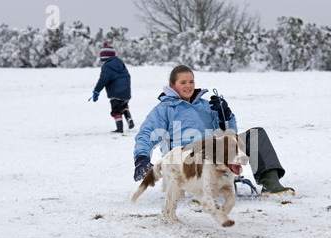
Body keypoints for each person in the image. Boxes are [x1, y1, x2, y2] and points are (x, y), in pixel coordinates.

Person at [133, 65, 294, 196]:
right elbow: (147, 134)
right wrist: (141, 158)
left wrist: (225, 115)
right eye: (183, 82)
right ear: (172, 86)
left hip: (214, 154)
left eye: (191, 82)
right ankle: (200, 192)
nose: (188, 86)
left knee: (255, 135)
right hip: (185, 161)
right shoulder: (164, 109)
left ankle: (271, 183)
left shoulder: (206, 106)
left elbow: (230, 136)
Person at [92, 42, 134, 133]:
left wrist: (96, 91)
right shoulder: (120, 63)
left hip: (115, 93)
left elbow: (103, 80)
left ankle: (119, 128)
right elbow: (127, 75)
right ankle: (129, 117)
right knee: (123, 105)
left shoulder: (107, 67)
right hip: (126, 92)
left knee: (116, 110)